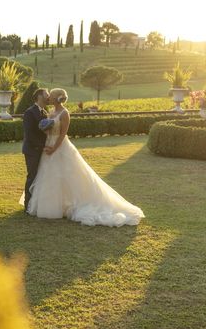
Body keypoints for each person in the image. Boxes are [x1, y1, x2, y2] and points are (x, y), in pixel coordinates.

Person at [20, 88, 145, 227]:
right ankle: (48, 204)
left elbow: (62, 134)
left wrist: (54, 148)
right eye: (47, 96)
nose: (48, 98)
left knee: (66, 176)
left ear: (57, 98)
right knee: (48, 176)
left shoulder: (64, 113)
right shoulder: (49, 112)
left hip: (59, 147)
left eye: (51, 96)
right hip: (47, 147)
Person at [21, 88, 50, 212]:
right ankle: (28, 205)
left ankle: (36, 203)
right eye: (46, 94)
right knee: (32, 176)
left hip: (42, 150)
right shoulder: (29, 112)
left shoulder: (44, 112)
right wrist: (41, 146)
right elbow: (30, 134)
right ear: (39, 96)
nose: (48, 96)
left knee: (40, 177)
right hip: (32, 150)